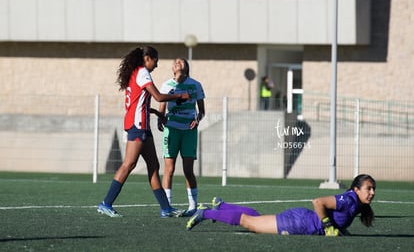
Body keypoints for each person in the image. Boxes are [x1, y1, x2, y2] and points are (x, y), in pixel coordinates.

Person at [97, 46, 190, 218]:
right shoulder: (142, 72)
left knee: (153, 166)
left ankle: (166, 208)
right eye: (156, 60)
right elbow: (159, 97)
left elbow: (139, 102)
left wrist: (156, 113)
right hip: (137, 125)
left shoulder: (136, 73)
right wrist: (180, 96)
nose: (156, 65)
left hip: (142, 125)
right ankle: (106, 203)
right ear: (147, 58)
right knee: (128, 164)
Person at [186, 174, 376, 236]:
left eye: (373, 189)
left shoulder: (356, 202)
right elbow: (318, 202)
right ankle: (207, 213)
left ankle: (222, 206)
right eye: (368, 188)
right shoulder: (350, 199)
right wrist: (327, 225)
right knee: (249, 222)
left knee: (256, 219)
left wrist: (338, 229)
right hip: (299, 223)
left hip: (301, 220)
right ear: (356, 189)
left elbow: (338, 220)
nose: (372, 192)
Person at [158, 58, 205, 217]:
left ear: (187, 67)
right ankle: (167, 207)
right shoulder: (166, 85)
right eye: (175, 61)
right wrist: (160, 119)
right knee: (168, 169)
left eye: (181, 61)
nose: (177, 62)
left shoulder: (196, 85)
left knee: (188, 170)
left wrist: (197, 119)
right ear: (172, 69)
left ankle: (193, 206)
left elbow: (202, 111)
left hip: (189, 132)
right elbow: (162, 109)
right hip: (171, 130)